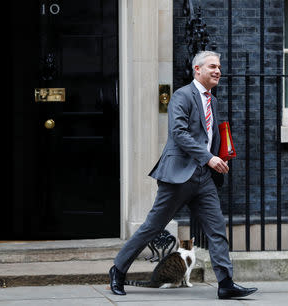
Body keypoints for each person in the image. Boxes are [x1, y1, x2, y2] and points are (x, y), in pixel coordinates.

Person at [109, 50, 258, 299]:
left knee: (217, 229)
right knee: (152, 227)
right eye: (212, 66)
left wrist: (219, 155)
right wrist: (208, 157)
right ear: (197, 69)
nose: (218, 71)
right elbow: (179, 133)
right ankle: (118, 270)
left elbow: (210, 135)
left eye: (219, 67)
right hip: (179, 176)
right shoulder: (182, 96)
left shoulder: (213, 100)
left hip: (203, 177)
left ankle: (226, 282)